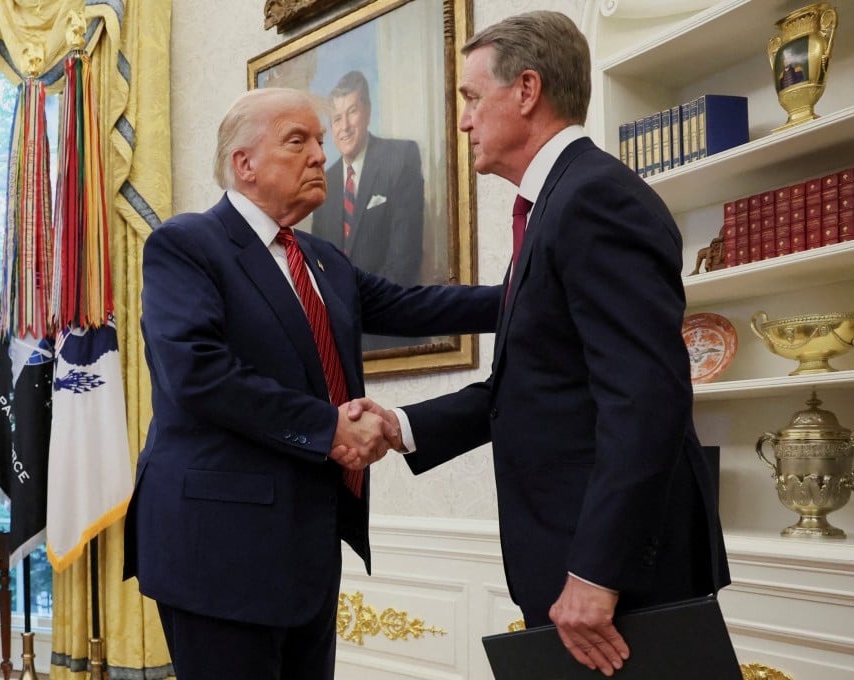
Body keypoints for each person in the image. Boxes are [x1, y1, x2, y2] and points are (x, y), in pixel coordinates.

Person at [344, 11, 730, 677]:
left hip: (619, 573)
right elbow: (529, 386)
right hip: (579, 558)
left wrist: (596, 572)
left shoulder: (594, 199)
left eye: (470, 98)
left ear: (526, 91)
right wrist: (403, 425)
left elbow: (646, 398)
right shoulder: (556, 202)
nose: (463, 121)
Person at [122, 88, 500, 679]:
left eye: (320, 141)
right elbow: (197, 372)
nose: (320, 155)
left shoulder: (324, 259)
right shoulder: (187, 244)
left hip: (308, 547)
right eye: (297, 140)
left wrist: (531, 295)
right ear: (243, 164)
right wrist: (329, 428)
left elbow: (418, 306)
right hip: (218, 552)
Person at [311, 70, 426, 351]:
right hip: (341, 341)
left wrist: (356, 312)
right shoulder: (324, 183)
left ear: (368, 112)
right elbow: (319, 269)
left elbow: (404, 258)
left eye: (352, 112)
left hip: (392, 331)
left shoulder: (400, 158)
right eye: (337, 118)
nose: (345, 126)